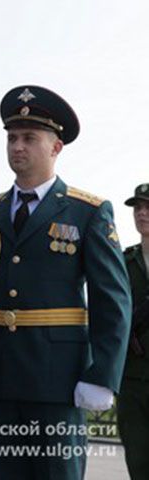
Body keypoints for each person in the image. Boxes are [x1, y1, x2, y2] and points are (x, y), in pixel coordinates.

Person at [0, 85, 131, 479]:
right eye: (12, 138)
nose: (18, 146)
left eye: (30, 138)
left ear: (56, 147)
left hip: (58, 379)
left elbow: (112, 302)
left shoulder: (88, 212)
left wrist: (101, 375)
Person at [118, 183, 149, 479]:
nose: (142, 213)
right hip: (133, 378)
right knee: (138, 460)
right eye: (137, 208)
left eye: (148, 207)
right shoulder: (123, 261)